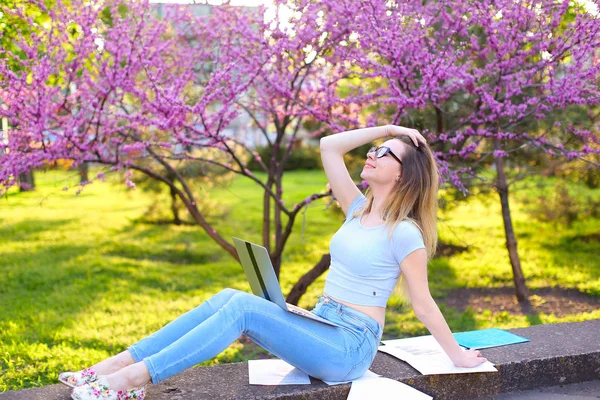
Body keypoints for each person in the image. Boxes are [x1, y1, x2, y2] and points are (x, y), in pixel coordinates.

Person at [59, 124, 487, 400]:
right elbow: (329, 146)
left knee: (243, 309)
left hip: (348, 348)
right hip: (321, 324)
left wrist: (458, 357)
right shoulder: (357, 209)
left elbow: (424, 305)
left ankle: (133, 382)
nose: (371, 155)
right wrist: (391, 128)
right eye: (374, 149)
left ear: (402, 174)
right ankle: (113, 366)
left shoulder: (405, 232)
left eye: (385, 153)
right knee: (229, 295)